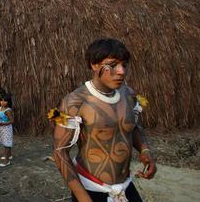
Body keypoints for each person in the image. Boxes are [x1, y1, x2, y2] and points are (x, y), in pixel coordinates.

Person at [52, 38, 156, 202]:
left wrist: (145, 151)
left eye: (124, 65)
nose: (121, 71)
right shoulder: (74, 102)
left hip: (126, 186)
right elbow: (60, 152)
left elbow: (134, 127)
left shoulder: (129, 95)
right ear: (94, 65)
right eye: (112, 65)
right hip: (91, 189)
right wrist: (83, 198)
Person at [0, 93, 14, 167]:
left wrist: (3, 124)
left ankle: (6, 161)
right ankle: (9, 155)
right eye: (1, 101)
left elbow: (12, 121)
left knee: (6, 144)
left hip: (6, 129)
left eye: (5, 101)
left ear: (8, 102)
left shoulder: (8, 111)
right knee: (5, 142)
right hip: (1, 127)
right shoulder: (0, 108)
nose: (3, 102)